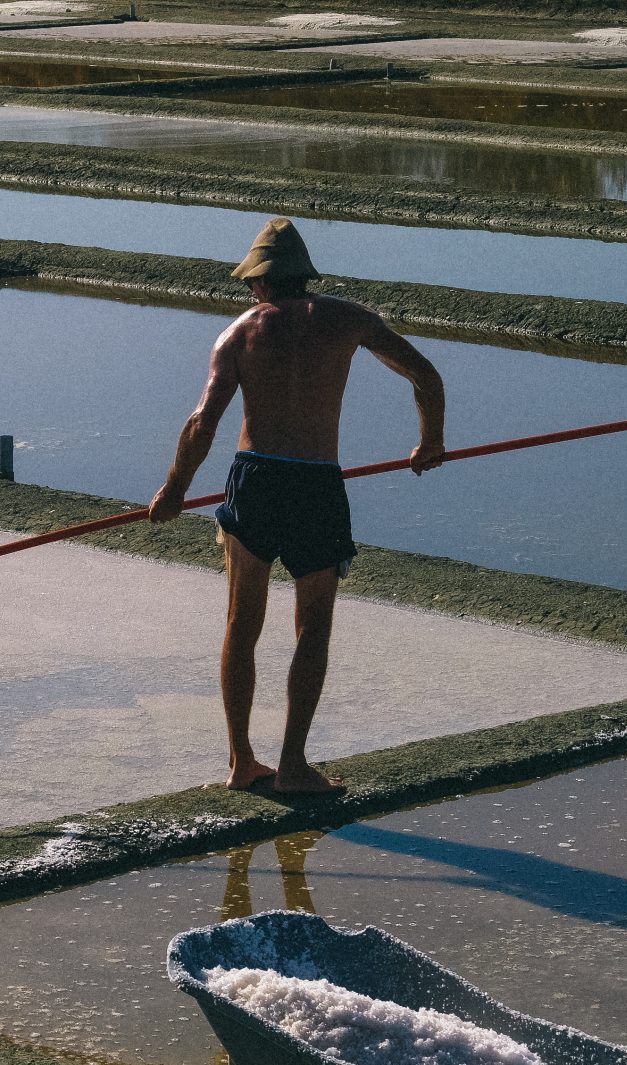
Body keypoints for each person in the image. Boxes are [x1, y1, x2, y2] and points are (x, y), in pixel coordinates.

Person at [147, 217, 446, 796]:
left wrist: (174, 491)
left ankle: (241, 762)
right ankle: (292, 766)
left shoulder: (238, 334)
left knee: (242, 624)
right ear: (304, 277)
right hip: (316, 483)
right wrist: (430, 441)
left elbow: (202, 421)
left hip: (254, 479)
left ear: (259, 283)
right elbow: (424, 375)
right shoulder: (349, 318)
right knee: (312, 628)